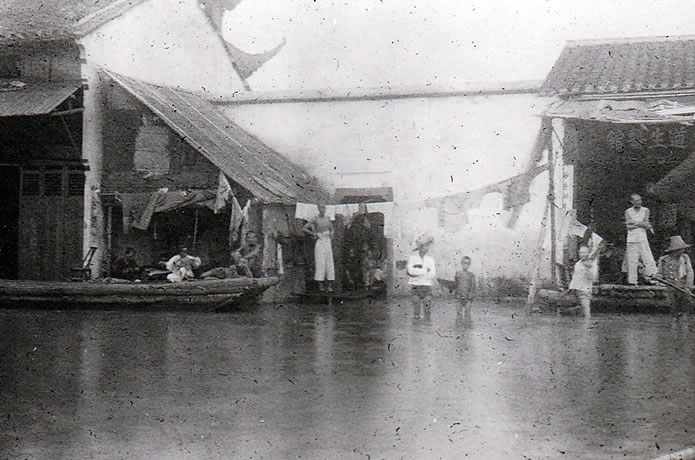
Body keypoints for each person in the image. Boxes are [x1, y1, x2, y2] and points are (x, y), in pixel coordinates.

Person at [657, 235, 694, 320]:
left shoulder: (685, 258)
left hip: (683, 287)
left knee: (686, 309)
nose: (683, 250)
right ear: (675, 250)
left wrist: (688, 286)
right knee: (673, 311)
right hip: (670, 288)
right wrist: (656, 278)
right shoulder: (663, 260)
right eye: (681, 249)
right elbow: (660, 274)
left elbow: (690, 272)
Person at [624, 193, 657, 285]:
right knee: (632, 258)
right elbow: (628, 227)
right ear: (632, 201)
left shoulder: (645, 210)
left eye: (640, 200)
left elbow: (646, 224)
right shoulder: (628, 211)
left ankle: (652, 276)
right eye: (636, 200)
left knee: (647, 256)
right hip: (631, 238)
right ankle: (632, 281)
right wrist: (640, 224)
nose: (639, 202)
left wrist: (634, 223)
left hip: (642, 237)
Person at [302, 204, 335, 292]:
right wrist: (313, 234)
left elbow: (332, 229)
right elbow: (304, 228)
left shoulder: (328, 218)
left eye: (324, 208)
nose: (322, 210)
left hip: (327, 241)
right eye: (321, 208)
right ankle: (320, 286)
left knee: (329, 262)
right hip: (320, 241)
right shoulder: (315, 219)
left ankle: (329, 286)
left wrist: (332, 234)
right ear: (318, 209)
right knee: (320, 262)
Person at [407, 234, 436, 319]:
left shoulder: (430, 259)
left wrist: (417, 272)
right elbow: (410, 270)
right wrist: (424, 271)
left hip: (427, 286)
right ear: (420, 247)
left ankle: (427, 327)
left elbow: (432, 274)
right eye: (425, 246)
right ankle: (416, 328)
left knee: (427, 309)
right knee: (416, 309)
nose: (426, 248)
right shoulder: (412, 258)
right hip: (416, 285)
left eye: (428, 246)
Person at [568, 245, 599, 317]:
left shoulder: (592, 264)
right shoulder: (578, 263)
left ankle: (587, 326)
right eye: (580, 253)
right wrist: (571, 287)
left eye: (584, 252)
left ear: (588, 253)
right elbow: (575, 277)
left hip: (585, 290)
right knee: (581, 313)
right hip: (576, 290)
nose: (582, 254)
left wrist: (588, 269)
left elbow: (593, 277)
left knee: (586, 313)